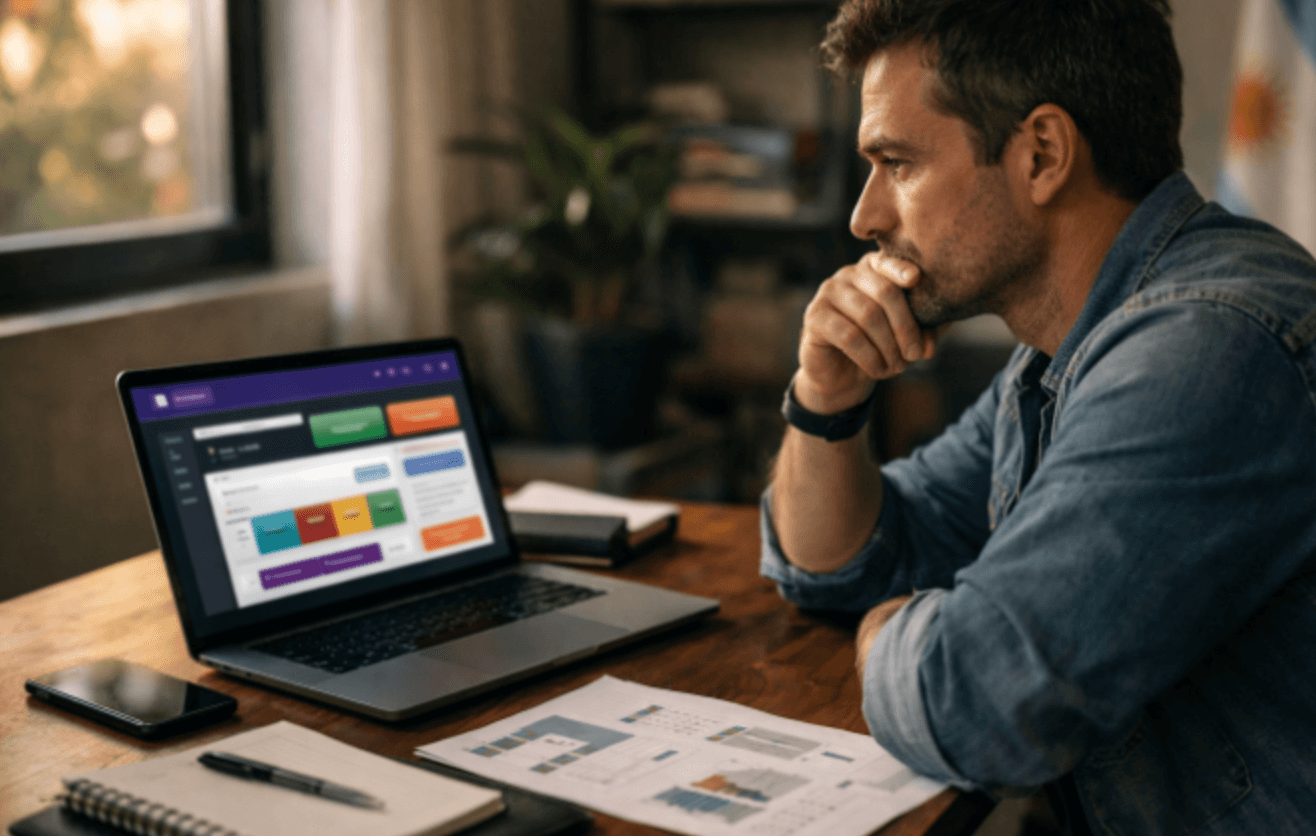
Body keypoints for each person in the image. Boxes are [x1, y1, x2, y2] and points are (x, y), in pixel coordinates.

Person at [760, 1, 1316, 833]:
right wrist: (825, 399)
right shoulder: (1065, 348)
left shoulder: (1206, 348)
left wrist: (888, 633)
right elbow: (842, 564)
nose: (865, 216)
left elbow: (982, 705)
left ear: (1042, 154)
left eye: (897, 162)